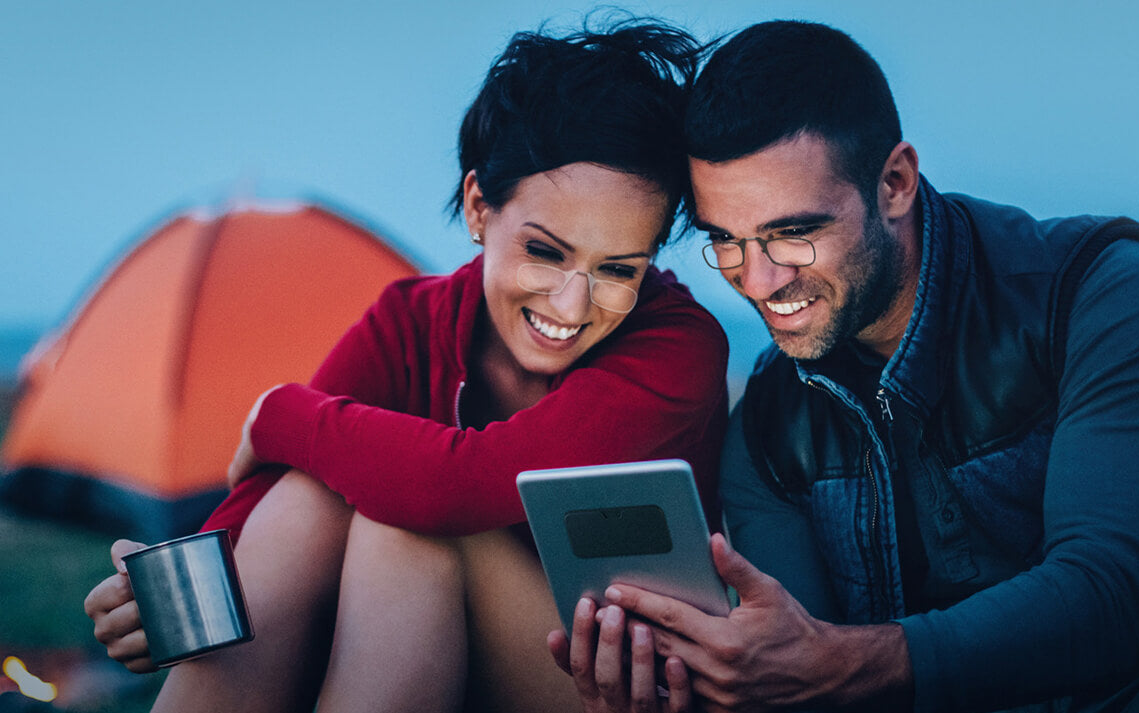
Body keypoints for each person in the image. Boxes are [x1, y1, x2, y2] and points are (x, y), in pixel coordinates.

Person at [552, 20, 1139, 713]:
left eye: (793, 233)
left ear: (895, 181)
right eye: (727, 242)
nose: (759, 280)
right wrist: (698, 682)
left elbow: (1107, 596)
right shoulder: (769, 423)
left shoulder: (1105, 294)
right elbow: (794, 670)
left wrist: (839, 662)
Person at [83, 19, 729, 713]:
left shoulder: (678, 348)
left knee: (405, 523)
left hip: (624, 687)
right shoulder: (413, 318)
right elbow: (276, 493)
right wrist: (173, 598)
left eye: (617, 269)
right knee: (315, 491)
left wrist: (278, 411)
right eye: (544, 251)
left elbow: (450, 485)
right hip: (442, 652)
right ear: (481, 207)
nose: (572, 303)